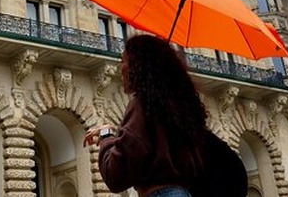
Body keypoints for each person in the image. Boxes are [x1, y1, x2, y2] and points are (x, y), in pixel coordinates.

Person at [84, 34, 207, 196]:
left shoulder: (142, 105)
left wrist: (106, 136)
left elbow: (115, 176)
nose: (120, 68)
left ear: (137, 66)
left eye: (123, 61)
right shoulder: (179, 108)